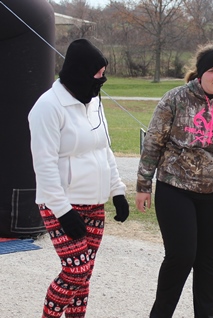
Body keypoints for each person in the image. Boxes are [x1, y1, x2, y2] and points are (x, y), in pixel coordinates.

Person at [135, 42, 213, 318]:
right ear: (200, 73)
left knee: (207, 262)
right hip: (175, 189)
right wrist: (143, 186)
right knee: (181, 256)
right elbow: (153, 145)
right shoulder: (175, 99)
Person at [28, 38, 130, 318]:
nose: (101, 82)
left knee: (85, 276)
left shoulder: (93, 101)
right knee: (76, 271)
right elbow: (44, 166)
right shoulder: (47, 107)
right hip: (60, 203)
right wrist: (63, 212)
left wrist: (117, 190)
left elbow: (103, 147)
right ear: (80, 72)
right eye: (97, 75)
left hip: (94, 202)